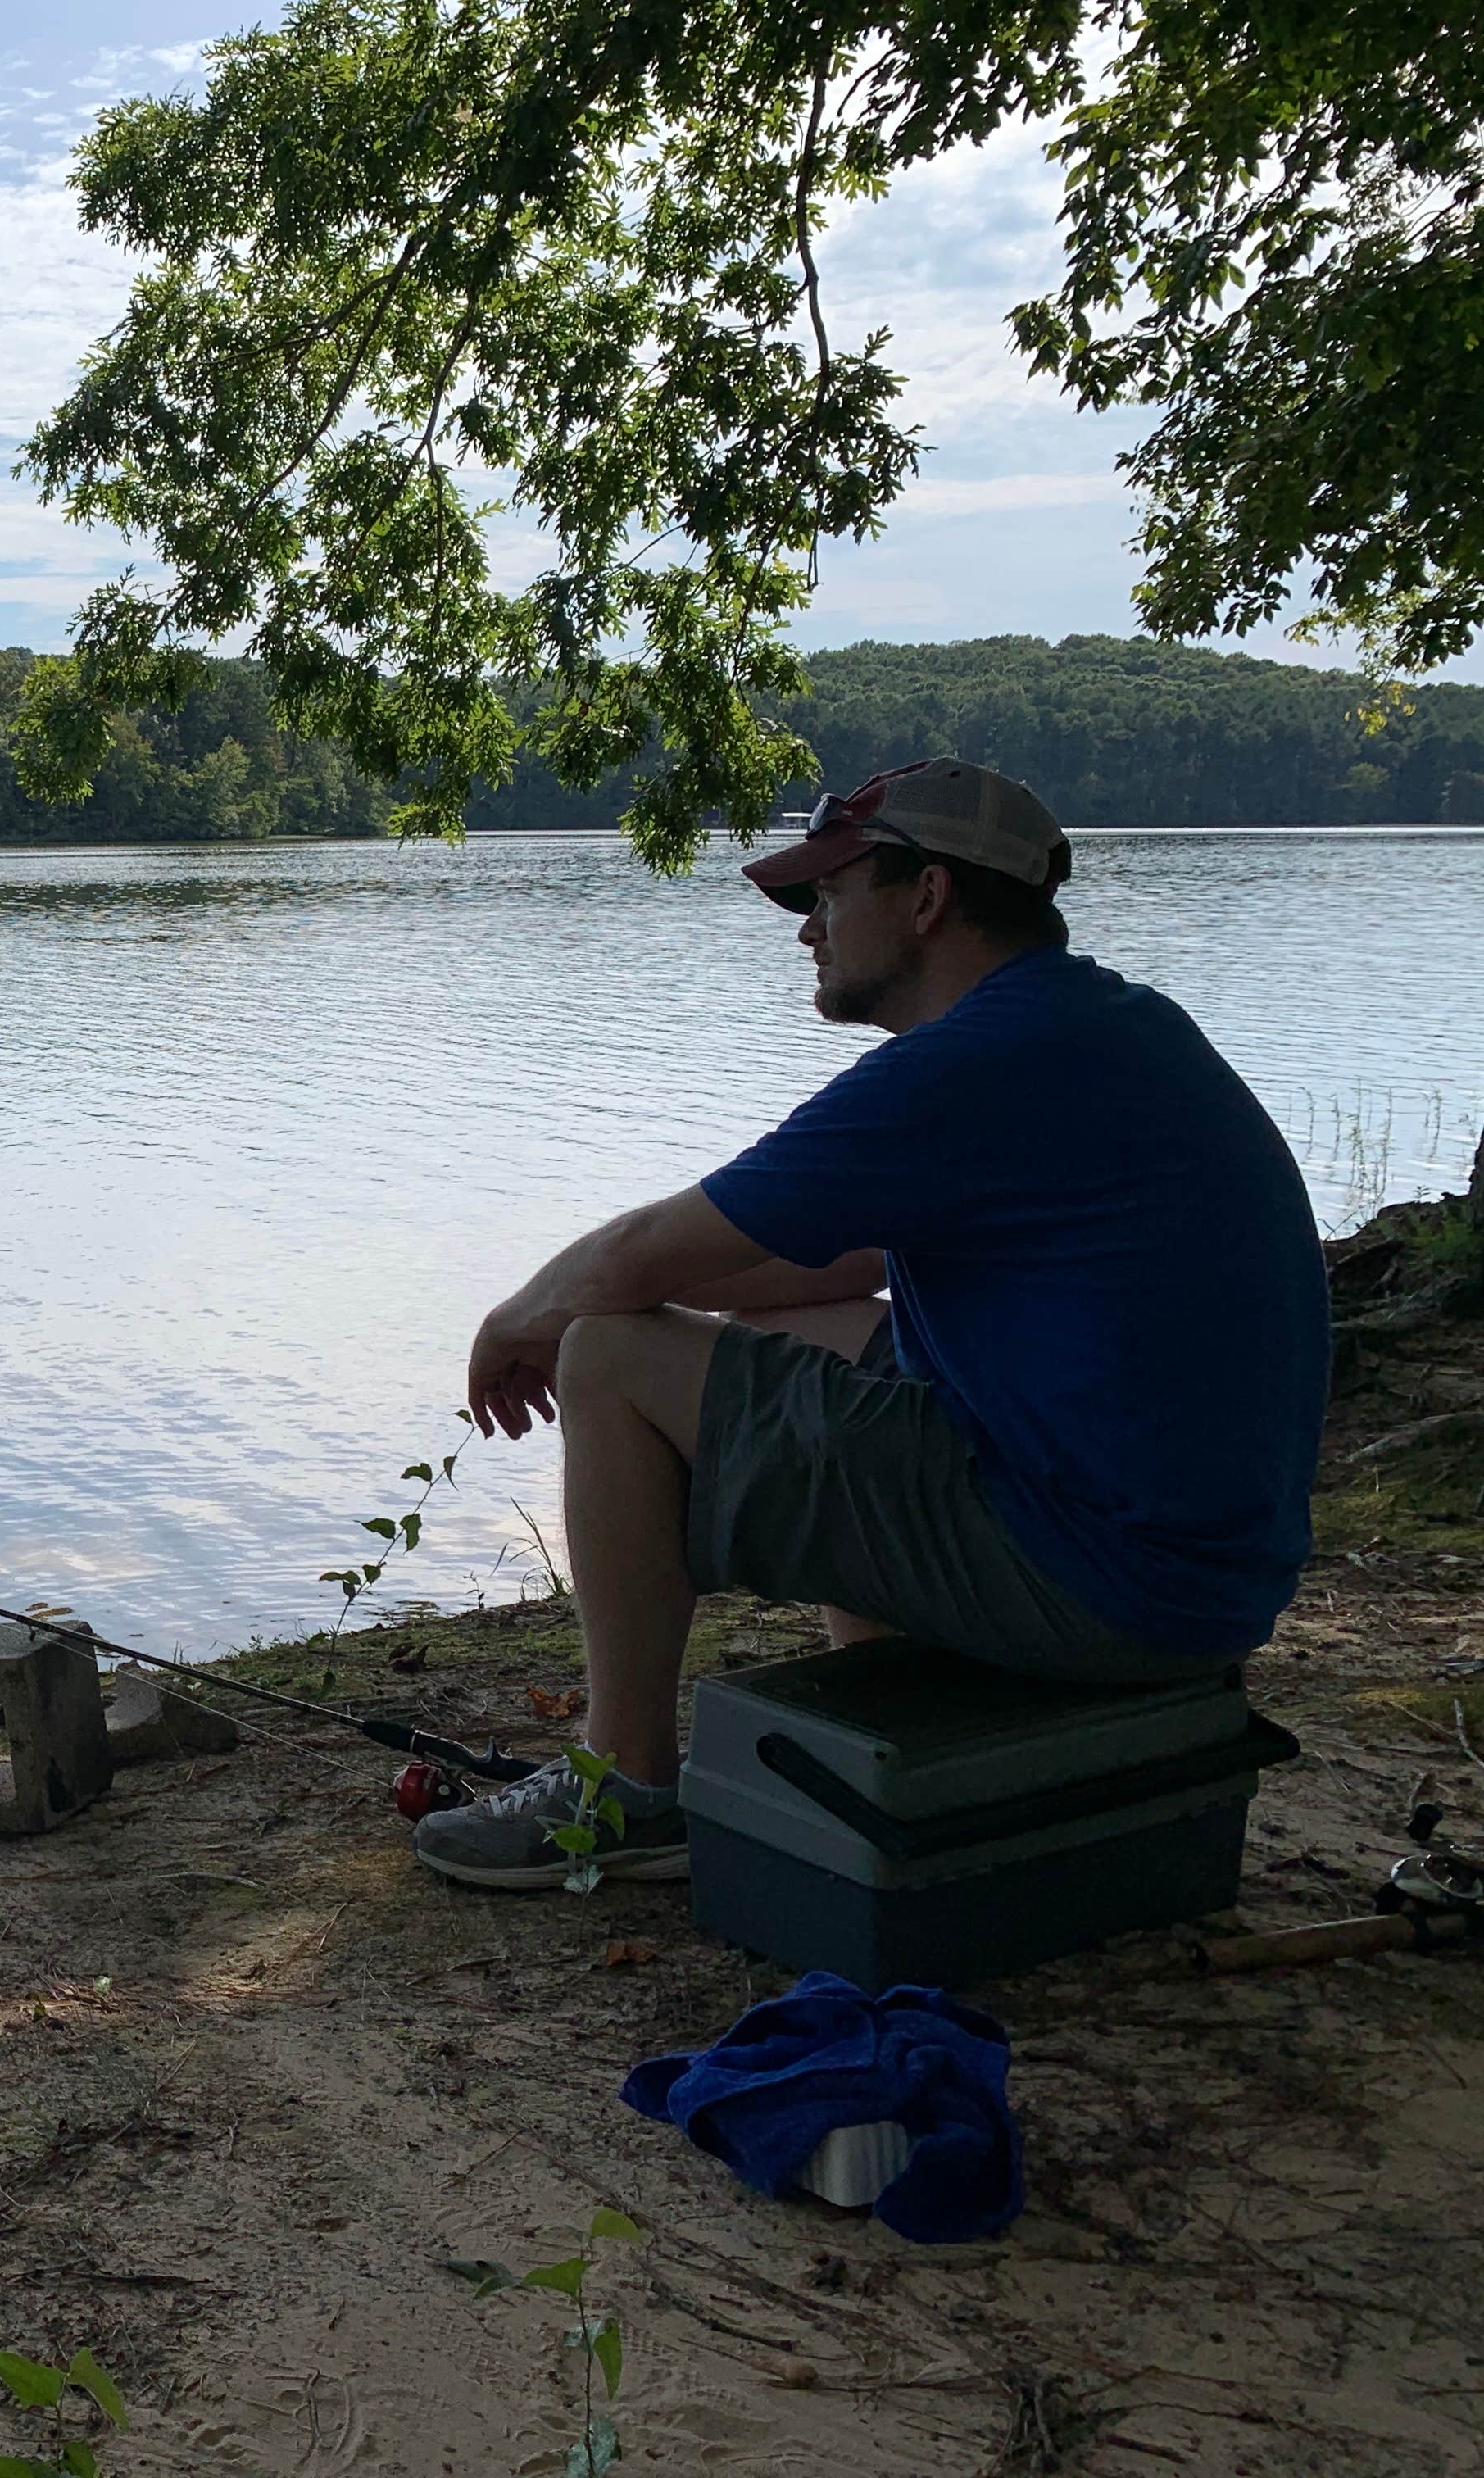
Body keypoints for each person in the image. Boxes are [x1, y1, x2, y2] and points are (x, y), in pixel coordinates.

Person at [414, 758, 1329, 1890]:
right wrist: (677, 1311)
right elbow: (811, 1256)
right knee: (824, 1325)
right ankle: (895, 1689)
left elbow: (645, 1253)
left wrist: (522, 1319)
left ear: (928, 896)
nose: (809, 931)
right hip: (1192, 1574)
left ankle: (625, 1788)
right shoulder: (1098, 1026)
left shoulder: (971, 1063)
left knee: (607, 1355)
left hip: (1107, 1586)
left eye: (831, 894)